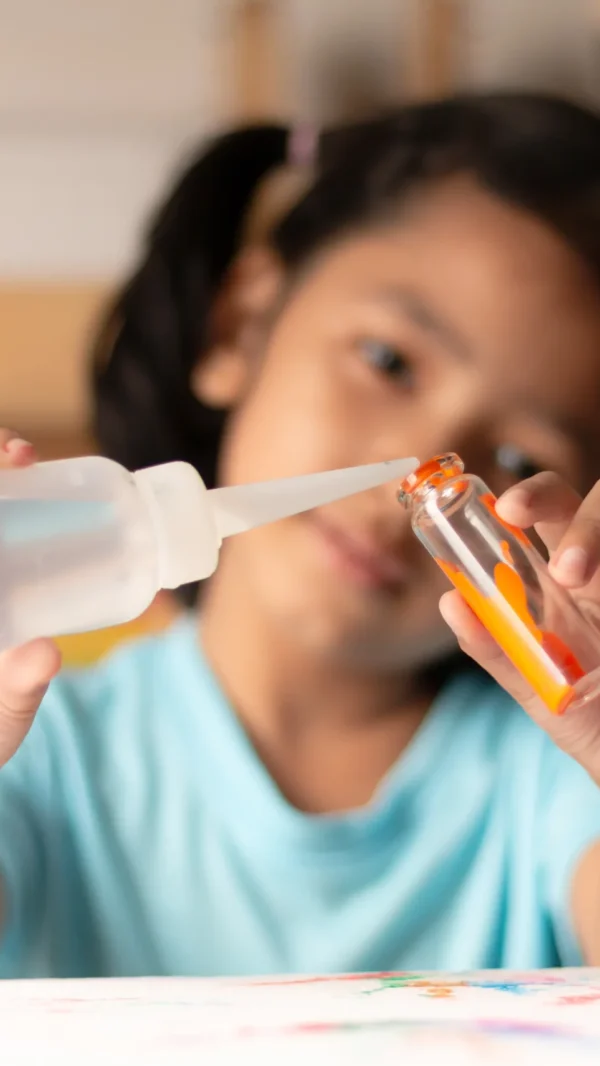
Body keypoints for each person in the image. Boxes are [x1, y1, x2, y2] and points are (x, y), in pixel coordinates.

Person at [2, 93, 600, 978]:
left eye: (515, 453)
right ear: (240, 322)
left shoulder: (560, 781)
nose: (413, 470)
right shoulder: (40, 760)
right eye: (389, 360)